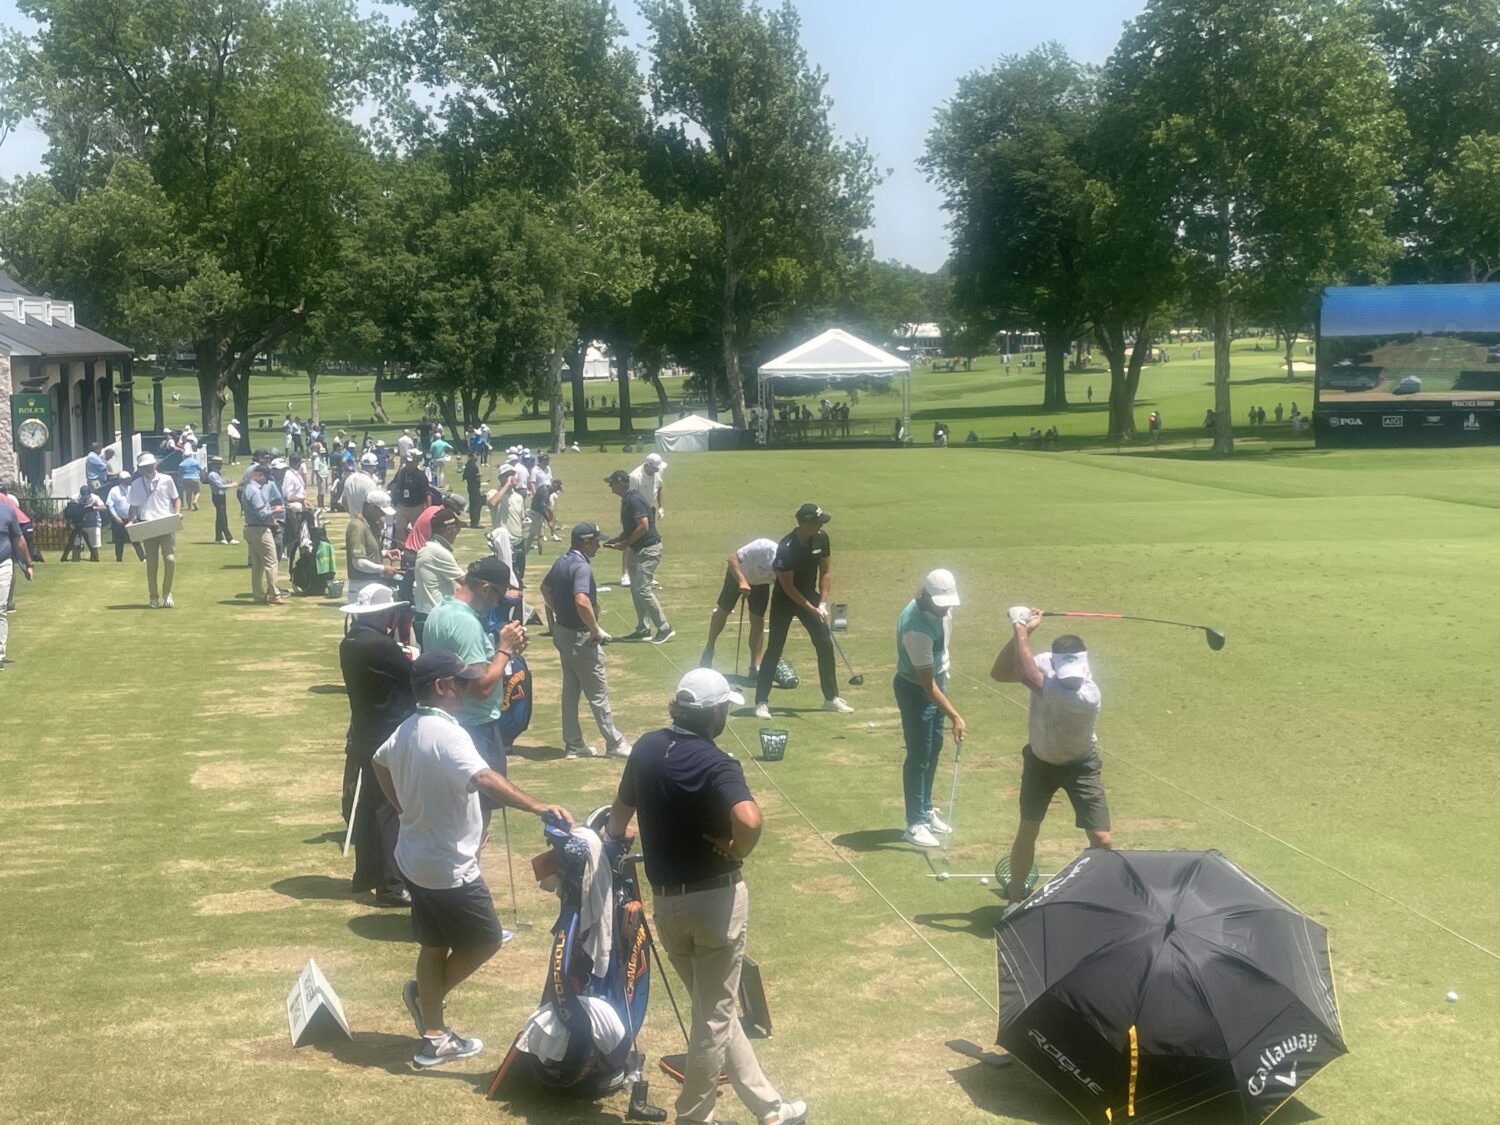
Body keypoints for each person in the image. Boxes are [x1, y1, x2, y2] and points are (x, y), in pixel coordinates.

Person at [605, 669, 809, 1125]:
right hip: (715, 906)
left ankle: (770, 1108)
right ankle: (694, 1117)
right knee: (713, 1019)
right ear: (715, 714)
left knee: (715, 1010)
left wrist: (616, 837)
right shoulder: (718, 763)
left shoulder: (646, 747)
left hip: (667, 908)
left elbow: (619, 815)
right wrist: (738, 848)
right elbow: (750, 820)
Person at [372, 651, 574, 1069]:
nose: (468, 688)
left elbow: (379, 762)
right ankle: (427, 1001)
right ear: (440, 686)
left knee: (434, 944)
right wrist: (538, 806)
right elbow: (483, 778)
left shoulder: (406, 728)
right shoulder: (451, 735)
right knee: (485, 939)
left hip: (414, 859)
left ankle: (434, 1037)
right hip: (449, 868)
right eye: (460, 682)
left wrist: (402, 807)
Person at [991, 610, 1109, 905]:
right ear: (1054, 662)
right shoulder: (1044, 662)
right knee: (1028, 828)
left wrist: (1020, 626)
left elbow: (1031, 676)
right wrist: (1026, 633)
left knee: (1102, 839)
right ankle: (1015, 901)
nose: (1071, 681)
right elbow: (1000, 673)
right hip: (1039, 762)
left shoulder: (1087, 695)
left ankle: (1102, 897)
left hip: (1080, 766)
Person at [421, 556, 529, 808]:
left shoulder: (439, 611)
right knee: (480, 810)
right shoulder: (466, 623)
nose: (498, 604)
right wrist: (505, 650)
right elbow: (480, 687)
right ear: (485, 588)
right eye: (499, 597)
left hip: (450, 721)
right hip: (477, 727)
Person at [339, 585, 416, 907]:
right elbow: (412, 676)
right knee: (388, 807)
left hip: (364, 732)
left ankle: (366, 873)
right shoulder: (381, 645)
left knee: (370, 804)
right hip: (386, 734)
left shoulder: (351, 641)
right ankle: (391, 886)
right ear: (382, 613)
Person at [539, 523, 632, 759]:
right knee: (598, 693)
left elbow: (545, 588)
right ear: (586, 542)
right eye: (596, 542)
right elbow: (581, 600)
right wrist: (595, 629)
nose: (599, 546)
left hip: (562, 632)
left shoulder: (562, 560)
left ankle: (573, 744)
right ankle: (614, 742)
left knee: (571, 690)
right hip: (581, 638)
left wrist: (560, 611)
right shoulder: (581, 567)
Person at [753, 504, 850, 718]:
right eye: (817, 522)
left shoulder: (821, 539)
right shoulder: (786, 548)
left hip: (810, 595)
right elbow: (788, 587)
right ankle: (761, 702)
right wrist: (811, 608)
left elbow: (826, 572)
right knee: (775, 648)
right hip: (785, 600)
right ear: (806, 524)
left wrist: (822, 603)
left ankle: (831, 698)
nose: (821, 526)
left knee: (825, 644)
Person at [893, 570, 966, 848]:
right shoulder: (916, 629)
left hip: (936, 682)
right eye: (940, 604)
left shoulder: (942, 609)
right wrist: (955, 716)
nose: (946, 608)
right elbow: (926, 685)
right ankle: (915, 823)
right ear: (926, 596)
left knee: (934, 748)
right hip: (916, 691)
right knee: (918, 756)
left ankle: (925, 808)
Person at [604, 469, 673, 644]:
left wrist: (625, 543)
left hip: (647, 551)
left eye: (612, 483)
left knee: (643, 590)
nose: (610, 487)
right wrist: (619, 538)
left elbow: (643, 526)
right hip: (638, 550)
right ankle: (643, 629)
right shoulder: (628, 499)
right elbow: (632, 526)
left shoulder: (634, 499)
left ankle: (665, 628)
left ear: (621, 482)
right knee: (636, 590)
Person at [699, 537, 777, 676]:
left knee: (758, 619)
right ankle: (709, 647)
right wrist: (742, 581)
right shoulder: (763, 547)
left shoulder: (786, 568)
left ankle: (755, 666)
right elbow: (732, 559)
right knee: (723, 610)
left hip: (760, 583)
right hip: (737, 575)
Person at [125, 453, 182, 609]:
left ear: (155, 465)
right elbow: (133, 506)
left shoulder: (167, 479)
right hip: (147, 524)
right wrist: (131, 521)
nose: (148, 469)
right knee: (151, 563)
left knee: (170, 559)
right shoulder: (136, 484)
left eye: (150, 465)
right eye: (145, 467)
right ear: (140, 469)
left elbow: (176, 499)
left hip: (166, 523)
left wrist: (177, 513)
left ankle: (167, 593)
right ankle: (153, 596)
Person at [413, 508, 465, 642]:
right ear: (449, 529)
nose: (457, 534)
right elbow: (467, 582)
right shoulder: (438, 551)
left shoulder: (429, 548)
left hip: (426, 616)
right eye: (457, 529)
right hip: (435, 618)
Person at [242, 462, 286, 606]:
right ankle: (274, 594)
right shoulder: (254, 491)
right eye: (266, 478)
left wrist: (270, 509)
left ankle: (258, 594)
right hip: (260, 530)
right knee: (271, 562)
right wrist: (275, 511)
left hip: (251, 529)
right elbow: (261, 514)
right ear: (259, 475)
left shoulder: (247, 489)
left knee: (257, 565)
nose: (267, 482)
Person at [619, 453, 666, 586]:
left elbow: (660, 487)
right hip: (634, 512)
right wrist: (625, 517)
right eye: (656, 468)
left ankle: (647, 574)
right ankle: (625, 574)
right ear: (648, 466)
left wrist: (661, 507)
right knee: (630, 540)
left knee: (648, 542)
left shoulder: (658, 471)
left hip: (649, 510)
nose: (658, 470)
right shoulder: (635, 476)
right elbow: (628, 497)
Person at [0, 488, 34, 669]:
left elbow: (18, 539)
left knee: (0, 609)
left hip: (2, 564)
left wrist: (28, 564)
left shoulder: (7, 510)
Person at [346, 489, 400, 601]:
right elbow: (358, 562)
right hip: (361, 586)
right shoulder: (357, 527)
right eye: (380, 511)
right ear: (370, 507)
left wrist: (384, 553)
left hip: (372, 584)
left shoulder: (369, 525)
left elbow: (368, 552)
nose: (382, 515)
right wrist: (383, 568)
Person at [106, 470, 145, 562]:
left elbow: (137, 504)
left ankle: (142, 558)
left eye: (128, 478)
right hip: (119, 519)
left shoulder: (132, 489)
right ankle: (119, 559)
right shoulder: (114, 490)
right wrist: (116, 517)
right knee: (119, 540)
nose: (128, 480)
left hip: (132, 519)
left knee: (135, 539)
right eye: (126, 479)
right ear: (121, 480)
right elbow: (110, 505)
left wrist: (135, 517)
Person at [391, 450, 430, 542]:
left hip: (416, 507)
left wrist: (428, 509)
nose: (409, 464)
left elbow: (427, 493)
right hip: (402, 506)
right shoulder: (402, 472)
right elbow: (395, 485)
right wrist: (394, 500)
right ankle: (401, 547)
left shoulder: (420, 475)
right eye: (407, 462)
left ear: (415, 463)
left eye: (411, 462)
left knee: (418, 530)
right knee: (399, 528)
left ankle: (418, 546)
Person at [60, 484, 104, 562]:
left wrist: (93, 508)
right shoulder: (74, 498)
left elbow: (103, 507)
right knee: (76, 544)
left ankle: (94, 559)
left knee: (94, 545)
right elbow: (69, 510)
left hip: (93, 523)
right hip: (78, 523)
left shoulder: (95, 498)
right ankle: (75, 560)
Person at [205, 456, 237, 545]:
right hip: (217, 497)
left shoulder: (217, 474)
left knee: (220, 517)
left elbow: (222, 485)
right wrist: (232, 485)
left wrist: (228, 483)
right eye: (219, 464)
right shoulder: (212, 475)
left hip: (221, 496)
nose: (220, 466)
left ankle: (219, 538)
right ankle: (229, 538)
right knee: (222, 518)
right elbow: (219, 486)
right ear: (214, 464)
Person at [343, 451, 379, 517]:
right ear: (375, 467)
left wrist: (353, 515)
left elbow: (344, 501)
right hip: (367, 520)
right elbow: (373, 506)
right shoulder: (370, 483)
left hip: (354, 519)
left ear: (361, 465)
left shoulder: (349, 479)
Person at [462, 453, 483, 529]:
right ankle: (475, 523)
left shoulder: (469, 464)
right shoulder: (473, 466)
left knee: (473, 504)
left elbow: (465, 476)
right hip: (474, 487)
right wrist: (478, 477)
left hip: (471, 487)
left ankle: (473, 522)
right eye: (476, 455)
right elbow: (475, 477)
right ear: (472, 456)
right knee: (477, 504)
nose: (477, 456)